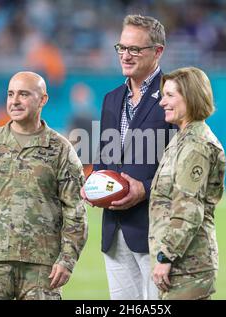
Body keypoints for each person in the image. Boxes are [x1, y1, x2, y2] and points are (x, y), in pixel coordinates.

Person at [0, 71, 88, 300]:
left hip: (42, 268)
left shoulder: (61, 149)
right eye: (10, 94)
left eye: (23, 94)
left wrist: (67, 259)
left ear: (43, 99)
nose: (14, 101)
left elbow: (75, 211)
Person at [82, 14, 175, 300]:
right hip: (114, 230)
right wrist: (95, 185)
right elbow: (105, 159)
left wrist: (144, 189)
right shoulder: (111, 98)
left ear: (157, 51)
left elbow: (182, 167)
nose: (126, 55)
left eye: (135, 49)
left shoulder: (174, 94)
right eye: (122, 48)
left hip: (157, 232)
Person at [149, 67, 226, 300]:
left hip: (188, 266)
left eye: (170, 95)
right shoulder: (182, 139)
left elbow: (189, 208)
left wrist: (166, 257)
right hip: (182, 264)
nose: (163, 102)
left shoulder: (195, 145)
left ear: (190, 97)